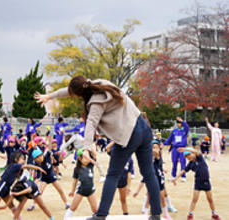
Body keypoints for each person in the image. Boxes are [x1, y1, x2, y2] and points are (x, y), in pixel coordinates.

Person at [35, 76, 161, 220]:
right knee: (149, 172)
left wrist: (87, 148)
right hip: (143, 126)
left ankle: (101, 215)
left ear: (79, 94)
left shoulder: (96, 103)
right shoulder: (99, 83)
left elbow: (91, 124)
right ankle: (156, 214)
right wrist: (50, 96)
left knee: (113, 174)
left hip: (128, 135)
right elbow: (68, 90)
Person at [0, 151, 46, 220]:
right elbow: (27, 166)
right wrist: (38, 168)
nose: (24, 160)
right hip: (1, 187)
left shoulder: (17, 169)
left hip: (6, 188)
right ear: (16, 160)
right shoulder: (15, 165)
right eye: (22, 159)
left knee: (13, 207)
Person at [172, 147, 221, 220]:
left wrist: (186, 149)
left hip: (206, 182)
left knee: (210, 199)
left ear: (193, 153)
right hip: (198, 183)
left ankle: (214, 214)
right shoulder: (190, 164)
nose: (189, 157)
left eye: (189, 154)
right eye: (187, 156)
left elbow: (195, 151)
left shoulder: (199, 158)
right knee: (194, 199)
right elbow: (184, 171)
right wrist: (175, 178)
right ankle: (190, 214)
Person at [64, 149, 97, 220]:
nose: (87, 159)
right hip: (81, 191)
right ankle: (66, 218)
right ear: (79, 158)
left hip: (91, 191)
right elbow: (74, 181)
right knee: (73, 208)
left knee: (95, 210)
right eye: (85, 157)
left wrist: (88, 149)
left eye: (88, 157)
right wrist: (72, 191)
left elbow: (94, 154)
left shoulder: (90, 165)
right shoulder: (77, 169)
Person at [105, 141, 133, 216]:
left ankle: (126, 215)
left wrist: (128, 186)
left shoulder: (130, 159)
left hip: (123, 181)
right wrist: (116, 140)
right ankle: (104, 214)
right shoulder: (115, 153)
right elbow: (107, 148)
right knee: (107, 199)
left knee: (123, 200)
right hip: (112, 180)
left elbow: (129, 174)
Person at [163, 117, 189, 182]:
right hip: (175, 148)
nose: (178, 124)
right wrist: (164, 144)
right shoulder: (174, 131)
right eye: (177, 123)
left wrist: (183, 121)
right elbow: (169, 139)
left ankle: (183, 176)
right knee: (174, 162)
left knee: (183, 162)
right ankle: (173, 175)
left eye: (180, 123)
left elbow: (187, 127)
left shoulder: (184, 130)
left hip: (182, 148)